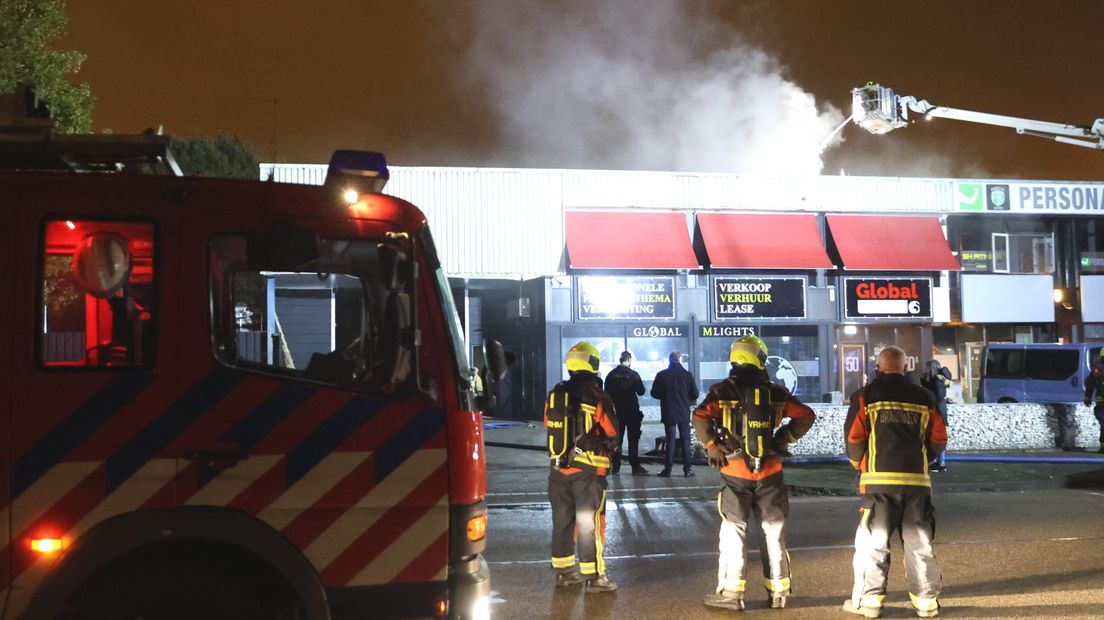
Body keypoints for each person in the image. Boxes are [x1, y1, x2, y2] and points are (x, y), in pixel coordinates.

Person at [692, 335, 816, 611]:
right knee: (774, 530)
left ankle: (731, 593)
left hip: (734, 471)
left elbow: (699, 416)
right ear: (760, 359)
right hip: (770, 471)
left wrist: (712, 445)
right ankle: (779, 591)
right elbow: (806, 415)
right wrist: (784, 438)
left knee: (734, 530)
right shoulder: (776, 392)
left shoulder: (721, 391)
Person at [843, 346, 947, 619]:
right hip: (917, 484)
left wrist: (858, 465)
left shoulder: (865, 396)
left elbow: (854, 438)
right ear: (905, 368)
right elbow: (938, 438)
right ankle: (926, 604)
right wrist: (925, 456)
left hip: (879, 484)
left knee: (873, 544)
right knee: (919, 543)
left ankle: (869, 602)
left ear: (878, 368)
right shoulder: (926, 397)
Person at [544, 341, 620, 593]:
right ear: (593, 364)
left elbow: (548, 423)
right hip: (588, 472)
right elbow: (612, 431)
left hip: (558, 469)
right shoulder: (597, 396)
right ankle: (595, 577)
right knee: (590, 524)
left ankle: (564, 573)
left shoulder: (555, 394)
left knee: (562, 520)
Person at [651, 350, 699, 477]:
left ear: (669, 360)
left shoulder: (662, 375)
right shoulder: (687, 375)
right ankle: (687, 470)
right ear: (680, 360)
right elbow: (695, 394)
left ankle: (668, 470)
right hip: (683, 412)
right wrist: (686, 399)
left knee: (670, 440)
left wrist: (665, 396)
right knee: (686, 441)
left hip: (668, 411)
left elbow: (654, 393)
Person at [605, 351, 648, 475]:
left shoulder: (611, 375)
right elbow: (641, 391)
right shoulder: (633, 374)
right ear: (628, 360)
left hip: (617, 412)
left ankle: (616, 466)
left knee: (617, 439)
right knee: (633, 438)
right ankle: (635, 466)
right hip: (632, 411)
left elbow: (606, 393)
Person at [920, 360, 953, 471]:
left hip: (936, 409)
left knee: (936, 435)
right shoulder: (938, 379)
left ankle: (940, 463)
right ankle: (938, 461)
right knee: (936, 435)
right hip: (939, 408)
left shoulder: (936, 380)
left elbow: (936, 394)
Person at [1083, 349, 1104, 453]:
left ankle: (1103, 446)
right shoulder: (1098, 369)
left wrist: (1087, 398)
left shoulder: (1097, 369)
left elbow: (1090, 383)